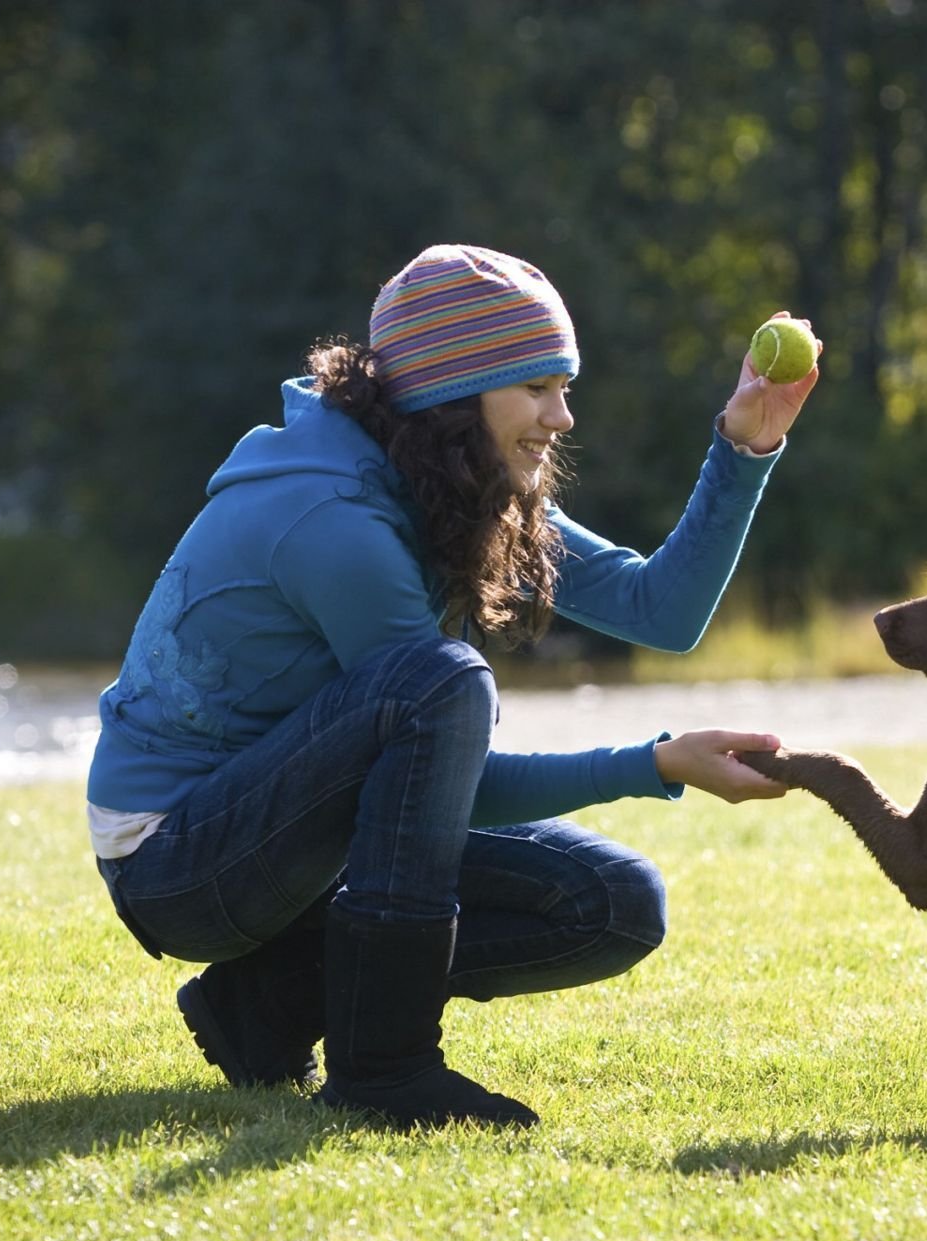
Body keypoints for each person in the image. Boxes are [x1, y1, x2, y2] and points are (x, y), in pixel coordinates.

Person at [86, 243, 820, 1128]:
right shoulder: (335, 519)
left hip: (295, 841)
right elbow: (453, 772)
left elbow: (657, 609)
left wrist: (748, 443)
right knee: (440, 682)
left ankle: (269, 1004)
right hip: (178, 859)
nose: (563, 416)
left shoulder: (450, 479)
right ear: (452, 393)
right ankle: (384, 1069)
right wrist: (654, 762)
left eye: (564, 384)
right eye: (538, 387)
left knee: (614, 904)